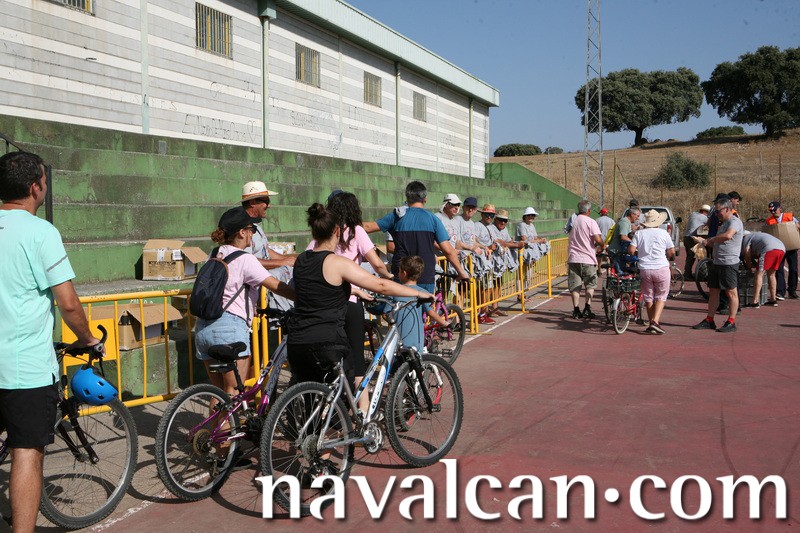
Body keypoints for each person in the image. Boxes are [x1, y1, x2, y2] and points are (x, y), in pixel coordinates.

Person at [0, 151, 103, 532]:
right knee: (26, 452)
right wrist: (88, 338)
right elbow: (68, 303)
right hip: (23, 368)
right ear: (35, 187)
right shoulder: (41, 232)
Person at [289, 203, 433, 391]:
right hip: (327, 342)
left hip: (297, 340)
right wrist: (419, 292)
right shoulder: (337, 263)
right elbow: (381, 285)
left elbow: (320, 290)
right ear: (337, 231)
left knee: (310, 397)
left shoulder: (301, 260)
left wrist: (354, 291)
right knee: (346, 390)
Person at [307, 191, 392, 413]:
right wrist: (390, 278)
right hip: (350, 300)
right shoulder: (357, 231)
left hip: (325, 304)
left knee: (329, 356)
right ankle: (362, 409)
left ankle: (327, 408)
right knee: (356, 357)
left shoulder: (324, 232)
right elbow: (377, 264)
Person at [194, 207, 295, 395]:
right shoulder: (246, 259)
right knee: (233, 392)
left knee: (219, 394)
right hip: (229, 330)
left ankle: (220, 416)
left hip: (203, 329)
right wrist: (305, 298)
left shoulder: (215, 254)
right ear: (242, 232)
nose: (252, 234)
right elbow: (276, 286)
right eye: (252, 229)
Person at [363, 181, 469, 294]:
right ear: (425, 199)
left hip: (402, 276)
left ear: (407, 198)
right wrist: (462, 273)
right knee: (425, 304)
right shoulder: (433, 219)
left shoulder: (396, 216)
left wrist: (350, 221)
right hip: (425, 276)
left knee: (400, 304)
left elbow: (367, 227)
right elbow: (448, 251)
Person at [692, 197, 744, 333]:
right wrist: (705, 242)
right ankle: (710, 319)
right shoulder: (724, 223)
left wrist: (712, 239)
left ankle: (731, 321)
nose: (716, 214)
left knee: (731, 292)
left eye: (718, 211)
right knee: (714, 291)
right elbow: (719, 241)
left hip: (729, 263)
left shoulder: (734, 222)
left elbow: (728, 236)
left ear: (726, 209)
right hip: (717, 262)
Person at [627, 210, 676, 334]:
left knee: (648, 296)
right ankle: (655, 322)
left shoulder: (639, 233)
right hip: (661, 267)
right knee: (661, 295)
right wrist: (668, 257)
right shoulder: (663, 233)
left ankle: (651, 323)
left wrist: (640, 253)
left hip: (645, 268)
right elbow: (671, 252)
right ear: (658, 222)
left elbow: (631, 250)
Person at [394, 256, 449, 353]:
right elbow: (431, 312)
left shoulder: (395, 291)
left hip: (397, 339)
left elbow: (386, 313)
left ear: (404, 273)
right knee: (417, 358)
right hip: (416, 340)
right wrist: (444, 323)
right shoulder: (423, 293)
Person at [241, 181, 296, 269]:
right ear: (252, 202)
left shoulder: (256, 226)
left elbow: (266, 251)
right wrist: (282, 262)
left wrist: (289, 260)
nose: (269, 205)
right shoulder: (243, 229)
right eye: (266, 201)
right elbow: (245, 261)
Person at [567, 200, 606, 319]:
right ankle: (587, 308)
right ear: (588, 211)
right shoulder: (591, 222)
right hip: (587, 258)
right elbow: (597, 239)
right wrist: (603, 245)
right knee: (590, 285)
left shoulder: (573, 220)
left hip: (573, 257)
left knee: (575, 285)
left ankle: (576, 309)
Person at [487, 209, 524, 316]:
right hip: (491, 261)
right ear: (495, 219)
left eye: (505, 221)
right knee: (489, 287)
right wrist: (515, 245)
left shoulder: (504, 229)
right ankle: (485, 310)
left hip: (500, 263)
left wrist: (514, 243)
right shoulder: (491, 228)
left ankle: (495, 307)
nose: (503, 222)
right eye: (500, 220)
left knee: (498, 284)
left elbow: (508, 241)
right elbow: (499, 242)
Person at [741, 231, 785, 308]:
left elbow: (747, 255)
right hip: (781, 248)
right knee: (771, 274)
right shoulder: (756, 236)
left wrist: (749, 268)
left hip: (769, 249)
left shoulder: (746, 239)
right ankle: (773, 299)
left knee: (758, 274)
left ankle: (754, 301)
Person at [766, 200, 799, 300]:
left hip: (791, 247)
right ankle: (780, 291)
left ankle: (792, 291)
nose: (773, 212)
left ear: (779, 208)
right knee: (779, 270)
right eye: (771, 211)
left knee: (793, 269)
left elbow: (798, 226)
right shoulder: (769, 221)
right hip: (779, 248)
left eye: (775, 210)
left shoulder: (789, 217)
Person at [474, 204, 499, 324]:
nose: (489, 217)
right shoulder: (477, 225)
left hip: (489, 261)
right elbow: (473, 242)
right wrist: (486, 247)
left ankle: (483, 312)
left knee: (488, 288)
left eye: (491, 215)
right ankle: (480, 314)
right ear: (482, 214)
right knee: (483, 289)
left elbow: (496, 240)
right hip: (481, 262)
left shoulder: (491, 227)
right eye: (487, 214)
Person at [607, 207, 641, 275]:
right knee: (621, 274)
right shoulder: (624, 222)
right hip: (616, 251)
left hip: (620, 251)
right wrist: (634, 244)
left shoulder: (626, 222)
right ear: (632, 214)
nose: (638, 218)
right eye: (637, 216)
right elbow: (623, 236)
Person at [683, 204, 711, 280]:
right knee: (700, 256)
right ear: (704, 211)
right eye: (707, 212)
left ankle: (687, 274)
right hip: (693, 238)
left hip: (686, 237)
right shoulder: (703, 217)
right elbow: (710, 224)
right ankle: (702, 275)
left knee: (690, 257)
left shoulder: (693, 214)